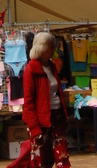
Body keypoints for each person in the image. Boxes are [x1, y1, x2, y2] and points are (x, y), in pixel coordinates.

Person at [23, 32, 70, 168]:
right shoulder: (31, 69)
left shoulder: (52, 67)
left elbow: (58, 93)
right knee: (40, 159)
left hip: (56, 116)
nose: (54, 50)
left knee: (62, 155)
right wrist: (34, 128)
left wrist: (63, 116)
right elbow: (29, 102)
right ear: (43, 48)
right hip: (39, 120)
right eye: (51, 47)